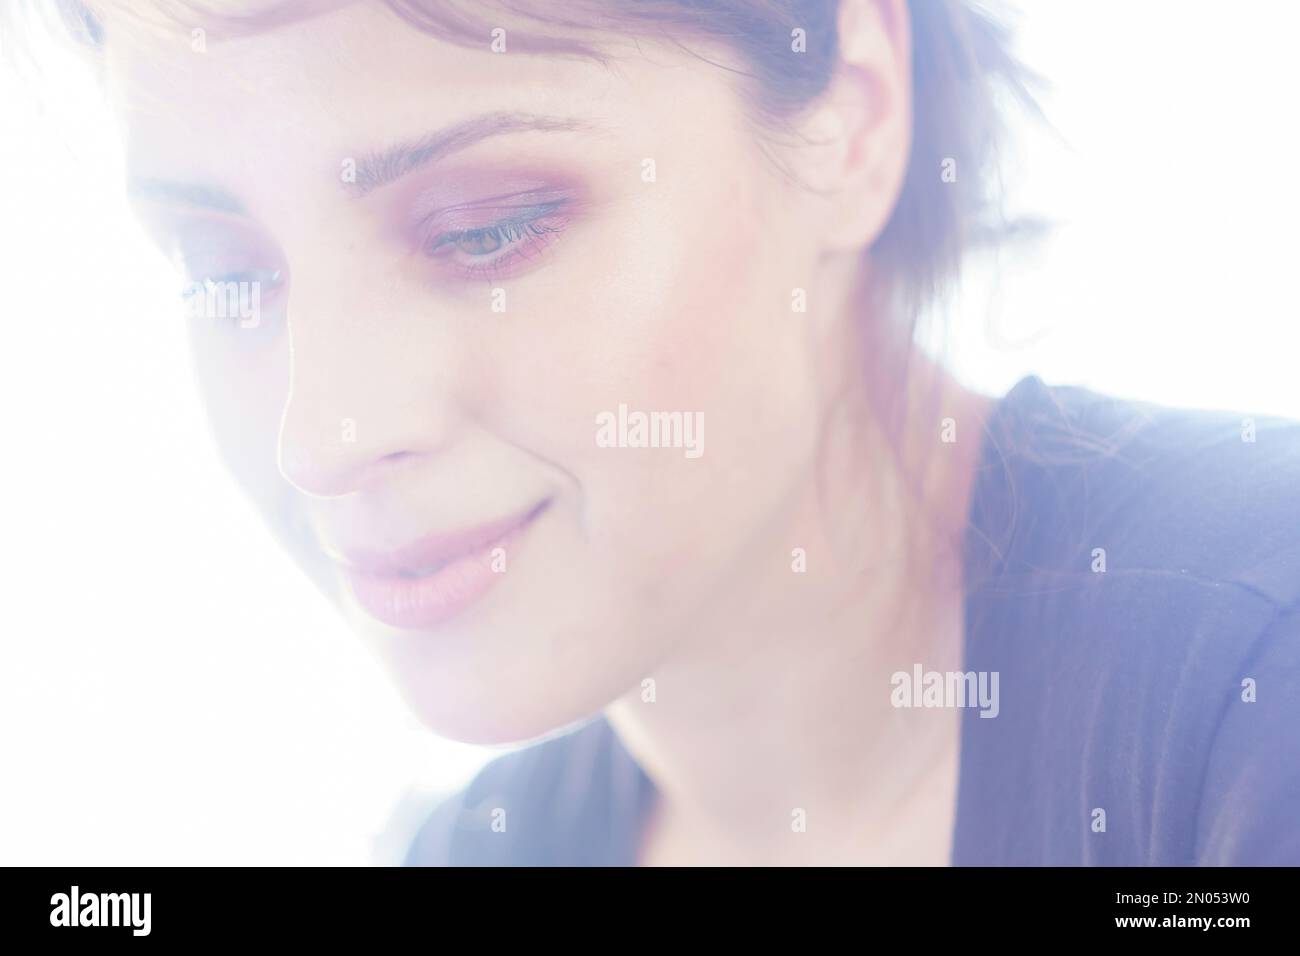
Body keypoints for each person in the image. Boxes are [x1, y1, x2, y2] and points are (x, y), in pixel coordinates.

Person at [13, 0, 1299, 865]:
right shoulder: (478, 851)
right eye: (222, 275)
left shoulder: (1249, 687)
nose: (321, 435)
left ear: (851, 119)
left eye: (486, 230)